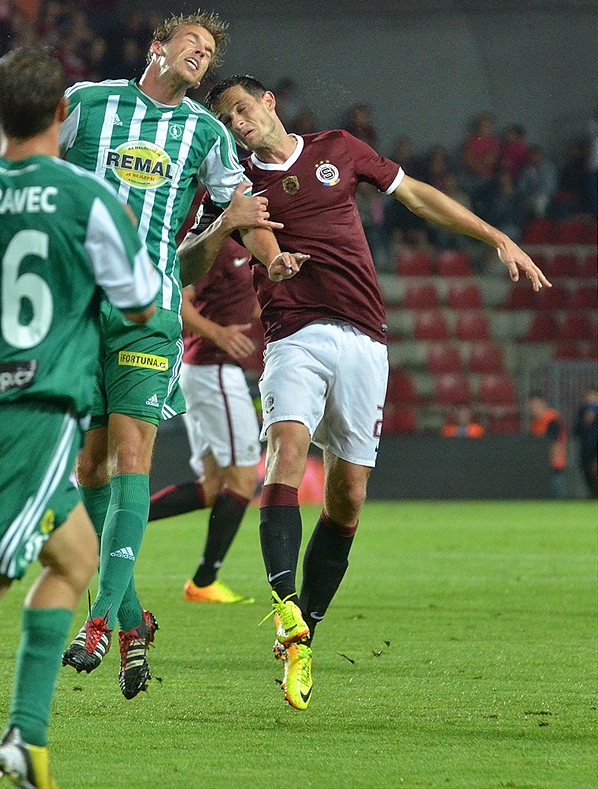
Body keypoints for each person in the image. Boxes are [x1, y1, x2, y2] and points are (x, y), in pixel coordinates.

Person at [193, 74, 550, 712]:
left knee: (349, 496)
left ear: (269, 103)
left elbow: (416, 196)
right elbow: (244, 240)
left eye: (244, 109)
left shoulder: (338, 148)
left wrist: (496, 235)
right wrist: (260, 252)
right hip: (293, 335)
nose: (240, 124)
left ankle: (307, 636)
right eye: (229, 119)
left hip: (364, 338)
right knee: (286, 449)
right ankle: (284, 606)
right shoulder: (235, 183)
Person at [0, 47, 160, 786]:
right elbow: (140, 302)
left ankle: (27, 735)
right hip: (35, 414)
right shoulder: (85, 198)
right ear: (60, 116)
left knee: (74, 558)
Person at [58, 12, 302, 699]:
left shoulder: (205, 134)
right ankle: (136, 620)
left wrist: (273, 259)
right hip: (78, 308)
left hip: (149, 310)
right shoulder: (87, 105)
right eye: (191, 42)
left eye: (211, 51)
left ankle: (102, 617)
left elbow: (242, 208)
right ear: (157, 47)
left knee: (131, 458)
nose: (201, 53)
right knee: (90, 471)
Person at [148, 233, 262, 604]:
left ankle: (108, 523)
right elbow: (176, 298)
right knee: (244, 479)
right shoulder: (215, 247)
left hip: (208, 371)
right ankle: (204, 580)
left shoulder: (247, 244)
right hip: (213, 369)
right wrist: (219, 334)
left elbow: (245, 304)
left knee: (214, 486)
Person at [528, 392, 569, 498]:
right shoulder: (535, 423)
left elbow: (555, 443)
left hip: (554, 466)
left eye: (535, 405)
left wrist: (548, 461)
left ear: (543, 405)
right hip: (541, 467)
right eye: (531, 405)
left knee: (555, 495)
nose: (532, 408)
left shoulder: (552, 420)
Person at [573, 389, 598, 499]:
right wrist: (586, 421)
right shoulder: (582, 413)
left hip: (595, 451)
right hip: (586, 452)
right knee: (588, 476)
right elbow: (576, 432)